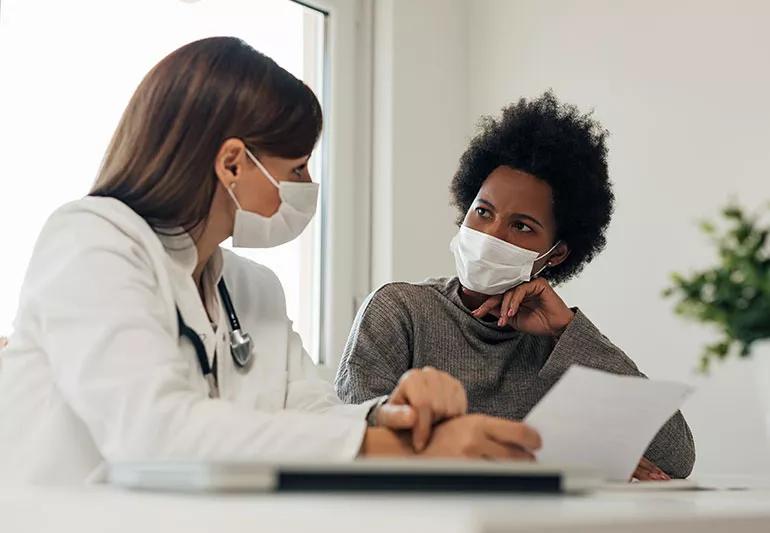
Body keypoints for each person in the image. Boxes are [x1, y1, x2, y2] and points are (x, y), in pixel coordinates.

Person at [0, 37, 541, 484]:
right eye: (298, 168)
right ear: (233, 163)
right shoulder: (90, 242)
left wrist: (391, 416)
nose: (307, 188)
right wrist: (409, 453)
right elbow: (153, 431)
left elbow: (309, 412)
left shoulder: (250, 286)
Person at [336, 92, 696, 480]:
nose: (491, 233)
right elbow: (348, 442)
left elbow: (676, 459)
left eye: (521, 226)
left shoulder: (561, 344)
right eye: (483, 212)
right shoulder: (400, 310)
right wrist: (541, 462)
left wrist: (568, 333)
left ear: (555, 254)